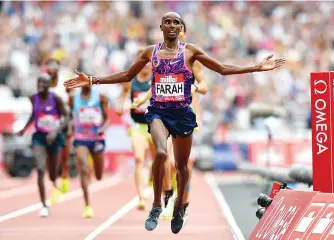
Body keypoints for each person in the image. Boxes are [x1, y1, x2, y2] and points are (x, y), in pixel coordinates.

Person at [64, 12, 285, 234]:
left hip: (182, 115)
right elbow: (126, 76)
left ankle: (179, 206)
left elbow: (222, 69)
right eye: (167, 22)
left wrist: (256, 67)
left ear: (181, 28)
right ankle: (157, 205)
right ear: (161, 26)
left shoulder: (190, 51)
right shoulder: (151, 52)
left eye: (176, 22)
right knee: (160, 154)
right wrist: (92, 79)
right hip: (158, 112)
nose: (171, 25)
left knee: (181, 167)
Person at [132, 18, 208, 221]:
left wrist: (194, 87)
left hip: (186, 114)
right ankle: (165, 197)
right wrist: (143, 101)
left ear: (183, 33)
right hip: (162, 112)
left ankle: (182, 202)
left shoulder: (192, 57)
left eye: (179, 30)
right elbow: (157, 86)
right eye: (170, 27)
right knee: (164, 158)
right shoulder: (159, 55)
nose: (175, 33)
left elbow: (204, 86)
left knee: (180, 165)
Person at [16, 73, 69, 217]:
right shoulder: (33, 98)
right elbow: (34, 115)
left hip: (54, 137)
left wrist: (55, 131)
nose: (40, 86)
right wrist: (24, 128)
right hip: (39, 136)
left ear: (49, 84)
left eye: (43, 83)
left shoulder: (55, 99)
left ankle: (55, 184)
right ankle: (44, 205)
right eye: (38, 83)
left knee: (52, 172)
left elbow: (66, 116)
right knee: (40, 168)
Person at [116, 48, 155, 211]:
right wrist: (120, 105)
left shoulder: (157, 79)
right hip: (138, 125)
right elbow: (123, 94)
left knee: (159, 160)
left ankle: (154, 179)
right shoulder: (131, 80)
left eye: (148, 62)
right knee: (139, 159)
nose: (145, 66)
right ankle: (141, 197)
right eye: (142, 62)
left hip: (155, 125)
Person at [68, 84, 109, 218]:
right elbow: (69, 117)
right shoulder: (73, 99)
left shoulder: (101, 97)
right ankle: (87, 206)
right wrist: (69, 129)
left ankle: (92, 167)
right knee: (83, 169)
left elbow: (107, 119)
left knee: (98, 175)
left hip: (97, 138)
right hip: (80, 138)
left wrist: (103, 127)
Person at [44, 58, 72, 193]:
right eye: (49, 66)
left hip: (63, 121)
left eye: (54, 66)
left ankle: (64, 176)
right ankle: (54, 183)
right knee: (51, 155)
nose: (52, 69)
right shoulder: (43, 84)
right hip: (49, 122)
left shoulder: (64, 83)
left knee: (64, 154)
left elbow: (71, 99)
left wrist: (69, 118)